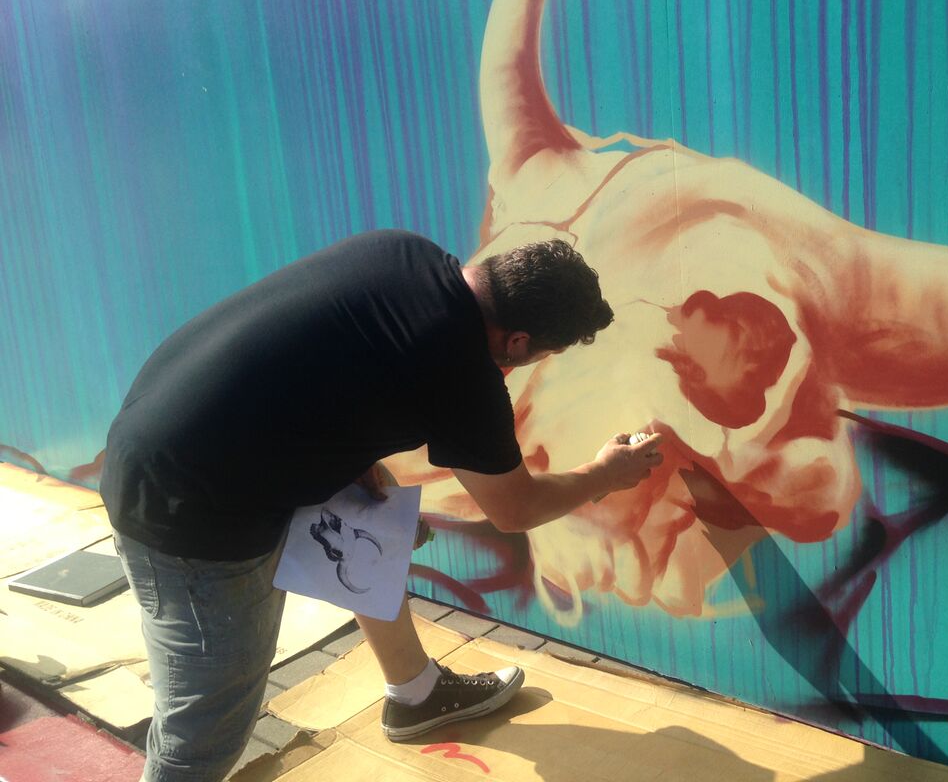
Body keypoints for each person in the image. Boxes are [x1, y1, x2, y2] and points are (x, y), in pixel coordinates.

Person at [99, 229, 665, 781]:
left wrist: (354, 451)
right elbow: (515, 509)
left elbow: (325, 356)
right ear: (517, 342)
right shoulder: (461, 371)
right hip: (189, 511)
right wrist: (604, 473)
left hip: (165, 435)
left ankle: (416, 692)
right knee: (203, 732)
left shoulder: (401, 251)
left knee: (371, 519)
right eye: (545, 352)